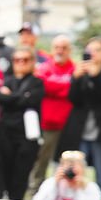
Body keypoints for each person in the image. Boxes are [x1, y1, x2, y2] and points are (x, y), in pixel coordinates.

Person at [55, 37, 101, 200]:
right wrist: (76, 79)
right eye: (89, 50)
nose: (92, 54)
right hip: (81, 131)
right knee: (75, 169)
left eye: (97, 50)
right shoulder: (81, 72)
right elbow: (73, 99)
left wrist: (97, 76)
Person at [0, 46, 45, 200]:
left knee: (20, 176)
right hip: (5, 134)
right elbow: (2, 99)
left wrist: (12, 97)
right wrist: (21, 97)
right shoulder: (7, 80)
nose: (21, 63)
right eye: (17, 60)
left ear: (32, 62)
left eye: (25, 60)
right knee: (2, 174)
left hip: (26, 137)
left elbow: (30, 100)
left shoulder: (37, 83)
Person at [32, 35, 75, 186]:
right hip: (47, 122)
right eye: (57, 47)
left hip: (67, 123)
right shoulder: (45, 67)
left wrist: (53, 87)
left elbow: (72, 91)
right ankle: (36, 186)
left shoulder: (74, 69)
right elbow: (43, 87)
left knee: (65, 160)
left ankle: (62, 188)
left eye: (64, 48)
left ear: (69, 50)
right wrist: (63, 87)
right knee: (42, 157)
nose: (60, 51)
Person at [33, 150, 101, 200]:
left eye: (74, 166)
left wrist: (79, 189)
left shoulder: (90, 187)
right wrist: (54, 183)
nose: (71, 170)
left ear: (83, 169)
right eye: (68, 165)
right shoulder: (50, 183)